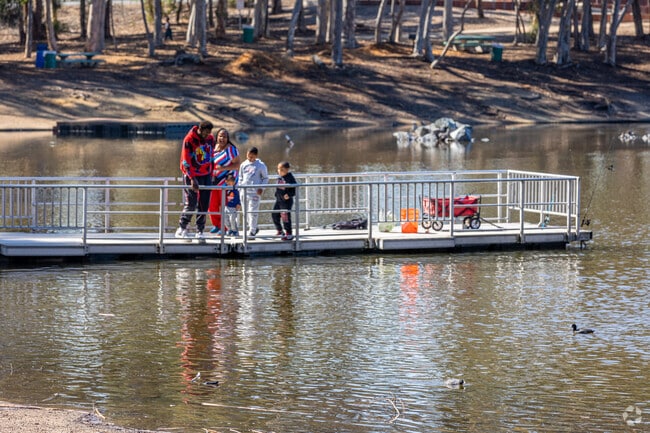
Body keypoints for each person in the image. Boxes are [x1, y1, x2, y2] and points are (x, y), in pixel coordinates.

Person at [176, 120, 214, 239]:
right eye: (205, 133)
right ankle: (182, 227)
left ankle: (200, 230)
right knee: (191, 202)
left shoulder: (210, 139)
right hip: (192, 174)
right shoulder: (189, 139)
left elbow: (212, 156)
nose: (207, 135)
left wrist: (211, 173)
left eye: (209, 133)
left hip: (206, 174)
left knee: (204, 203)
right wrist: (192, 178)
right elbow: (186, 161)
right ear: (200, 129)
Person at [208, 128, 240, 234]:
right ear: (217, 137)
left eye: (225, 136)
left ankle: (227, 228)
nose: (222, 138)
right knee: (212, 204)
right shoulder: (213, 147)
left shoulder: (231, 149)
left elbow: (237, 165)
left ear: (228, 138)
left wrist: (223, 168)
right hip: (213, 180)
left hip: (227, 181)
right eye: (220, 136)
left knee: (225, 205)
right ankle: (217, 225)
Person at [238, 146, 268, 239]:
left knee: (252, 211)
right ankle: (254, 227)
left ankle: (252, 231)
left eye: (252, 157)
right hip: (244, 191)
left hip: (255, 192)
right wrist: (240, 188)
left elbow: (265, 178)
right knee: (245, 212)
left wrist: (261, 188)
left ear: (256, 156)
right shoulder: (243, 164)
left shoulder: (260, 165)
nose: (250, 158)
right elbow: (240, 177)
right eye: (248, 156)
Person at [272, 161, 297, 241]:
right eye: (278, 169)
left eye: (282, 170)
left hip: (286, 202)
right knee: (274, 215)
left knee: (285, 217)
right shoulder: (279, 177)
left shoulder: (290, 178)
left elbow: (295, 189)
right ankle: (279, 230)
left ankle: (289, 233)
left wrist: (289, 195)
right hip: (279, 200)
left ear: (287, 170)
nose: (280, 171)